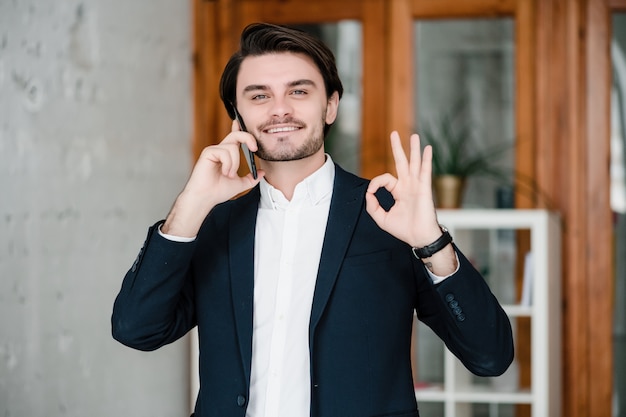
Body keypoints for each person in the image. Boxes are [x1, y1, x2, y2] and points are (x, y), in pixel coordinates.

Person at [112, 22, 513, 417]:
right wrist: (190, 205)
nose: (280, 108)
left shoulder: (390, 215)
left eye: (298, 91)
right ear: (237, 117)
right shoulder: (212, 225)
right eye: (259, 96)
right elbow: (136, 329)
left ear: (331, 106)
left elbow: (491, 356)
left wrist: (432, 242)